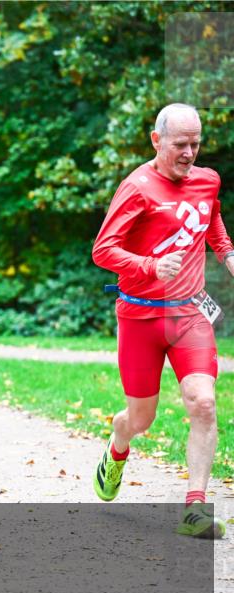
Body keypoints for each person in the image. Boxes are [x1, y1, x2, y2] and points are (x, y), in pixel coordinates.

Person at [92, 103, 234, 539]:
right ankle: (118, 445)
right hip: (140, 317)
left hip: (190, 313)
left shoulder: (208, 181)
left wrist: (229, 257)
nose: (189, 153)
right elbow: (103, 250)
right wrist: (151, 266)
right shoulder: (137, 187)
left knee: (204, 403)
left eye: (195, 143)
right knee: (141, 419)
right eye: (180, 144)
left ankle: (195, 508)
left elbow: (213, 229)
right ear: (157, 141)